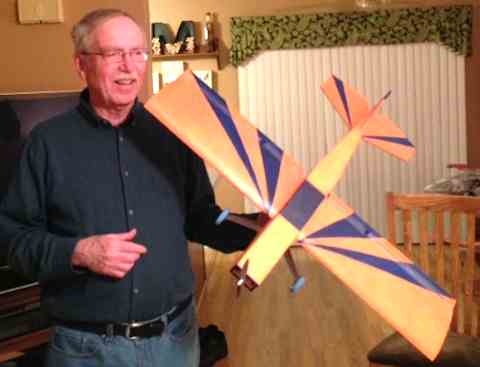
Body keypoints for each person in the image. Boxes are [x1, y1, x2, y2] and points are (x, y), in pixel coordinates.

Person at [0, 8, 258, 367]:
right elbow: (12, 239)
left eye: (138, 52)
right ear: (81, 65)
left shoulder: (174, 134)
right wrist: (78, 252)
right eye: (113, 53)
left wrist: (260, 228)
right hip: (85, 352)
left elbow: (201, 219)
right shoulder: (45, 144)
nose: (129, 65)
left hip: (177, 343)